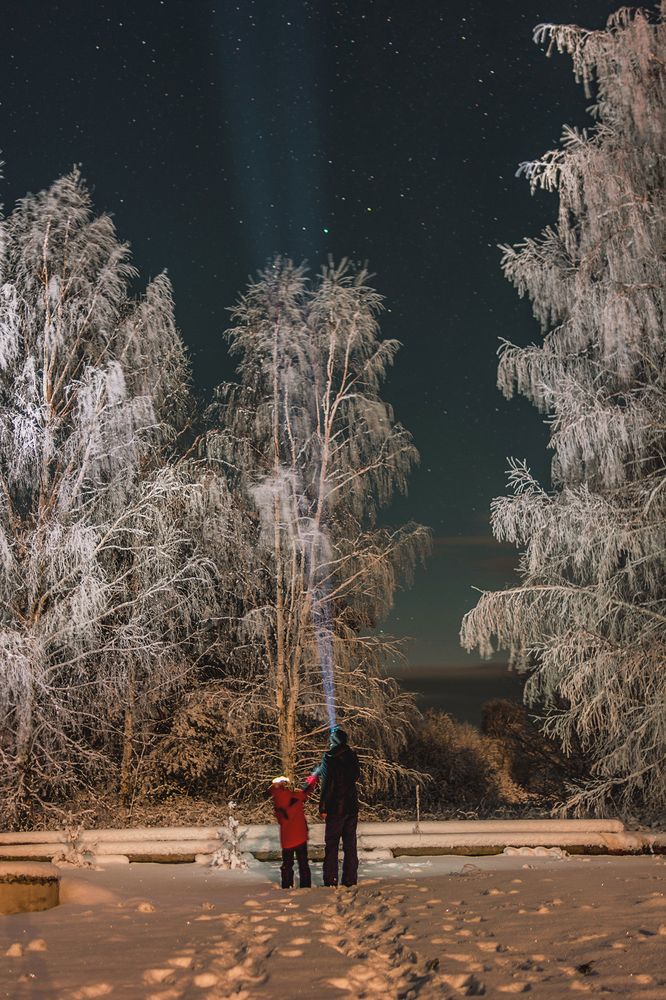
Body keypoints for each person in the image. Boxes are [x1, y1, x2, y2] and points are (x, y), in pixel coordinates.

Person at [316, 727, 360, 887]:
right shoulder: (353, 756)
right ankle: (350, 879)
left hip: (335, 808)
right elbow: (355, 776)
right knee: (350, 845)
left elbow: (327, 784)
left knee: (332, 844)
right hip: (351, 807)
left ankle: (330, 879)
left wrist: (323, 807)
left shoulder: (329, 757)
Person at [268, 774, 317, 889]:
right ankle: (305, 885)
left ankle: (287, 884)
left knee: (287, 864)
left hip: (287, 838)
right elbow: (307, 791)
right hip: (300, 835)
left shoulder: (277, 801)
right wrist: (313, 778)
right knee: (303, 863)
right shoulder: (295, 796)